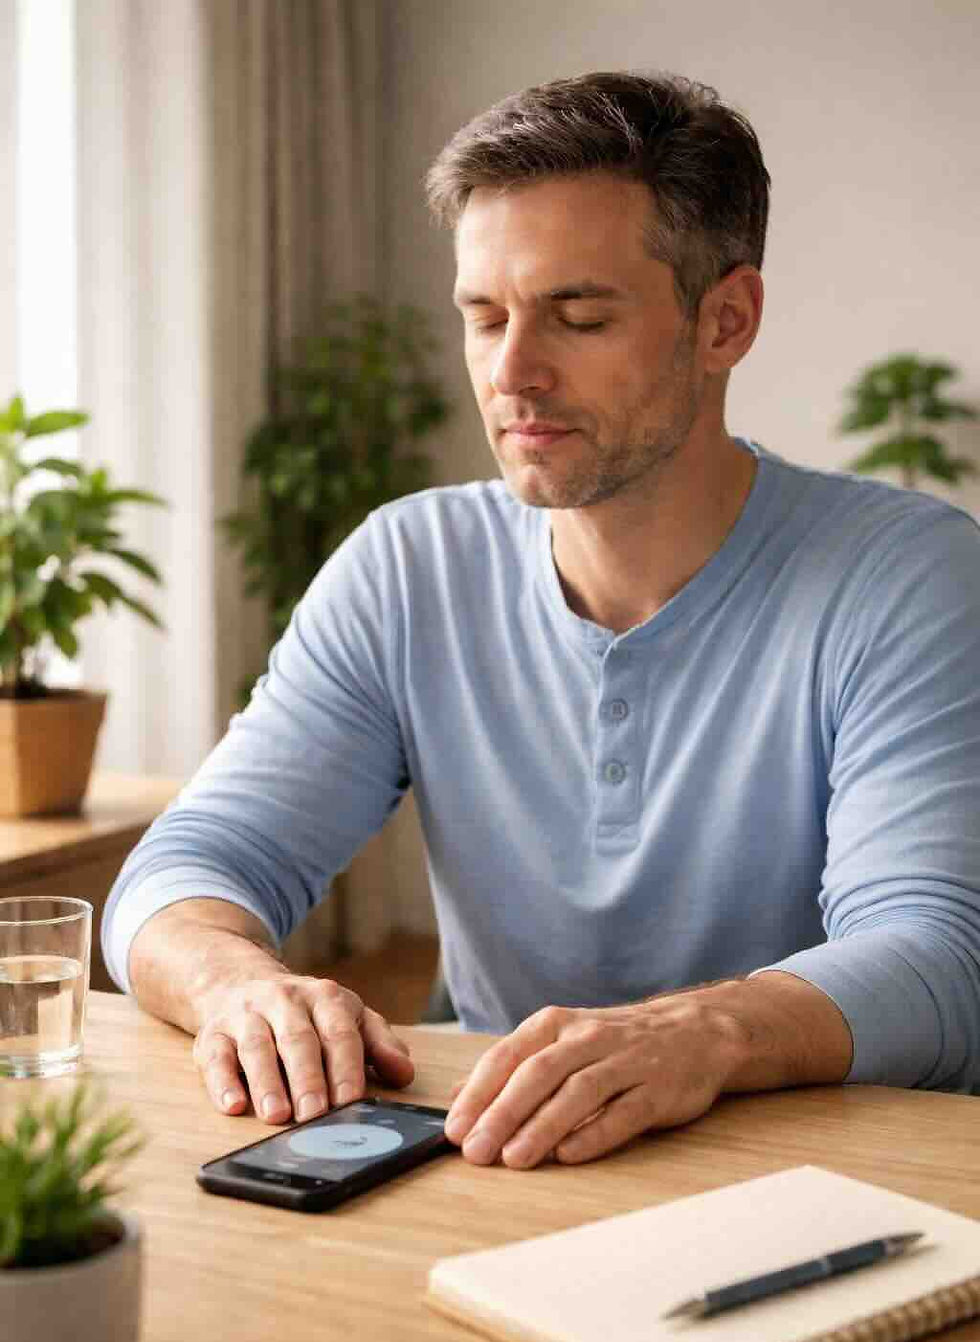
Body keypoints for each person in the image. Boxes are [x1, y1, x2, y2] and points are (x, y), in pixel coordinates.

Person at [103, 71, 980, 1171]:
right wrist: (241, 985)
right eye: (484, 318)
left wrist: (694, 1032)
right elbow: (186, 868)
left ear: (725, 320)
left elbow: (937, 958)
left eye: (578, 316)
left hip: (828, 1178)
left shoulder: (905, 576)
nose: (512, 373)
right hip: (501, 1162)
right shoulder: (406, 565)